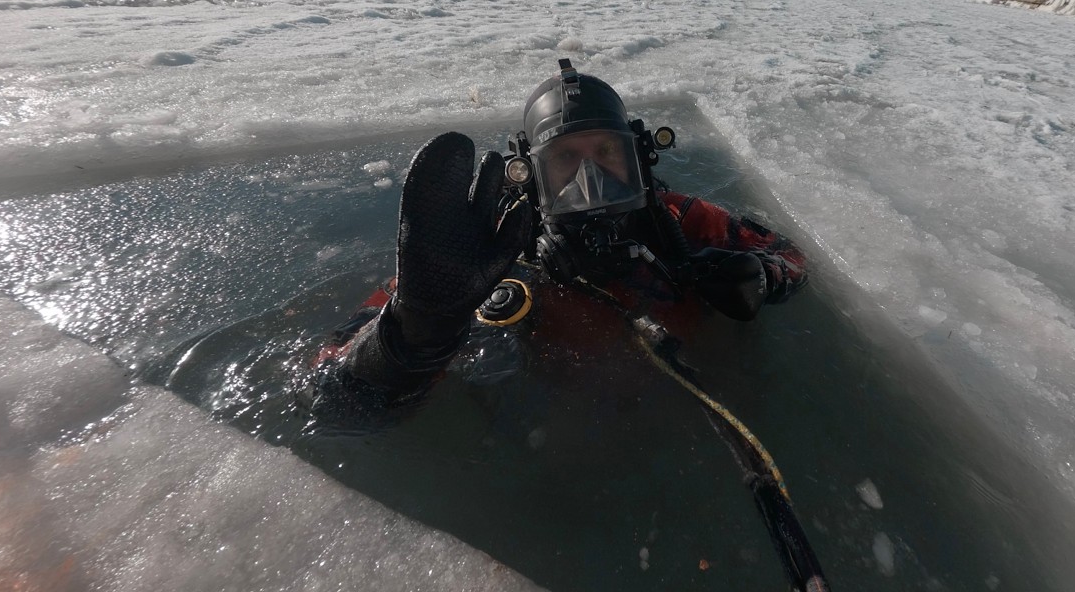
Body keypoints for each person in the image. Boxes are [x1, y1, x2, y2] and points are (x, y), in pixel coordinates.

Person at [310, 60, 807, 414]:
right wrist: (419, 331)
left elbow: (788, 255)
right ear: (530, 173)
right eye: (566, 158)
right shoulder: (494, 247)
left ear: (638, 157)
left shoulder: (682, 219)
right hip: (555, 431)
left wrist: (762, 277)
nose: (591, 177)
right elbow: (327, 390)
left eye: (607, 152)